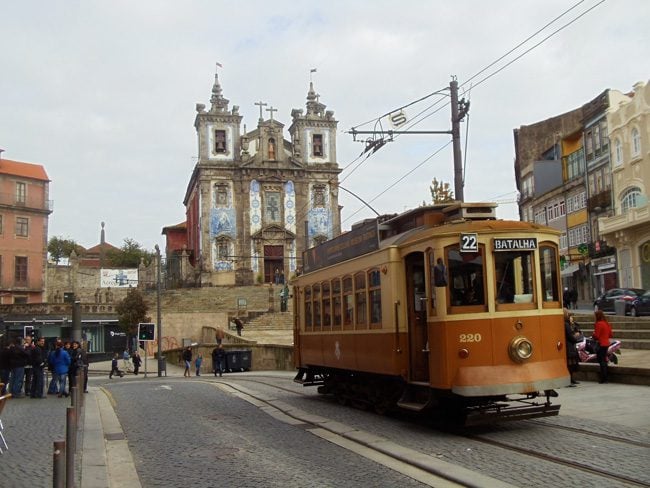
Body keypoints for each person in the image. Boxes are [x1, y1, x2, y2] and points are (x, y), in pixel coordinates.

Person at [593, 310, 613, 384]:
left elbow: (596, 336)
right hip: (606, 344)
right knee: (604, 360)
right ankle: (605, 378)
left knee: (601, 361)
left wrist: (593, 334)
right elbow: (611, 335)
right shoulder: (606, 323)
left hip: (601, 344)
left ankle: (603, 378)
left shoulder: (598, 324)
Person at [563, 309, 580, 386]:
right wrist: (575, 338)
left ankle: (571, 379)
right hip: (569, 346)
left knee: (571, 364)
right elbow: (570, 336)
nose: (571, 317)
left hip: (569, 345)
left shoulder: (567, 324)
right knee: (570, 364)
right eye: (569, 315)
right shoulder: (566, 325)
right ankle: (569, 380)